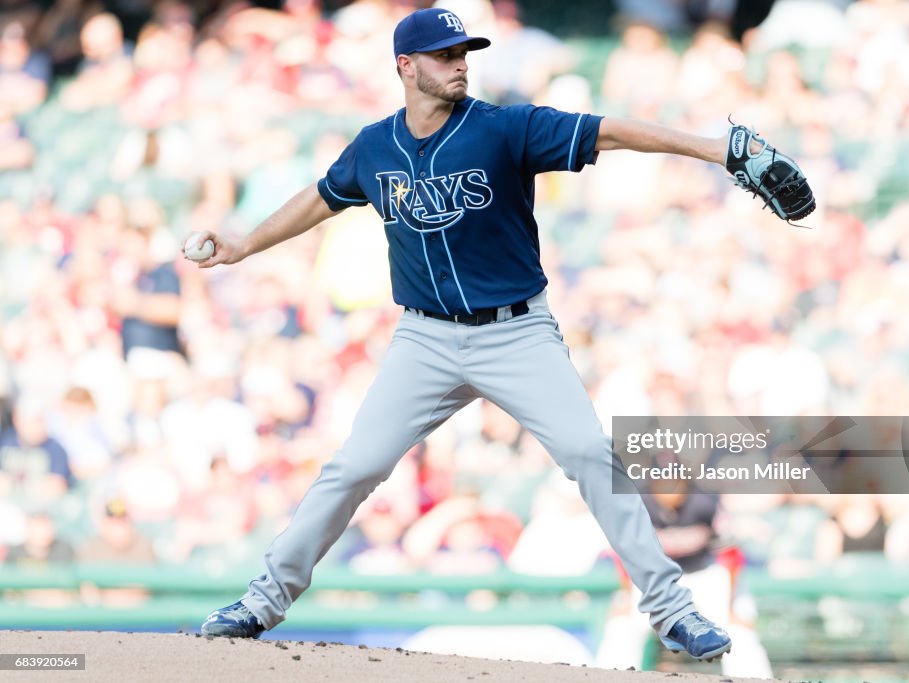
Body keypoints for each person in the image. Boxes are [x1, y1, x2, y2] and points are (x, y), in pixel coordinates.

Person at [193, 7, 771, 661]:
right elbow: (323, 195)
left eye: (464, 51)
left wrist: (714, 149)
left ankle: (672, 610)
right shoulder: (375, 145)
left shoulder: (504, 127)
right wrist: (243, 244)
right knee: (353, 466)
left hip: (516, 333)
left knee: (589, 453)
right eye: (445, 55)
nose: (460, 62)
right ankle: (263, 600)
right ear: (405, 67)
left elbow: (611, 133)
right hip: (424, 340)